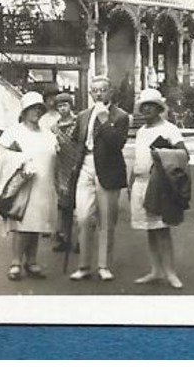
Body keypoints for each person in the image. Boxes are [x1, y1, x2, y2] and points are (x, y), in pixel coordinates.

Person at [68, 75, 130, 283]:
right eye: (95, 90)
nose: (99, 93)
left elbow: (117, 144)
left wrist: (104, 121)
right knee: (83, 217)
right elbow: (75, 140)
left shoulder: (120, 116)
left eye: (103, 90)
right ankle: (84, 266)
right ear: (90, 92)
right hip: (85, 166)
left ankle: (104, 265)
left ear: (110, 92)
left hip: (108, 169)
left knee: (106, 221)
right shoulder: (83, 115)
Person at [0, 91, 59, 281]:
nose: (36, 113)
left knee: (36, 224)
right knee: (22, 224)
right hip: (23, 184)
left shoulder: (48, 134)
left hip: (43, 184)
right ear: (24, 111)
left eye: (39, 109)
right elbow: (0, 154)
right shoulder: (13, 132)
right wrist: (21, 161)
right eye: (32, 109)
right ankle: (15, 262)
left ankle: (31, 261)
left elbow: (55, 157)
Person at [128, 88, 188, 288]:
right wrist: (131, 183)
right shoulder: (142, 131)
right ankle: (156, 270)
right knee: (149, 229)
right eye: (143, 107)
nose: (146, 110)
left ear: (158, 108)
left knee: (162, 229)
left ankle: (170, 273)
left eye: (150, 106)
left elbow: (183, 154)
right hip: (140, 183)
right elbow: (138, 158)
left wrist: (162, 154)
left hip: (160, 184)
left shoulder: (170, 129)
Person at [44, 91, 81, 255]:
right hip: (62, 168)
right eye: (59, 106)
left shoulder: (79, 123)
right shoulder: (54, 128)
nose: (62, 108)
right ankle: (66, 238)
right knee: (65, 206)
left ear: (70, 105)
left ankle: (81, 239)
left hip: (79, 166)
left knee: (81, 206)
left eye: (65, 105)